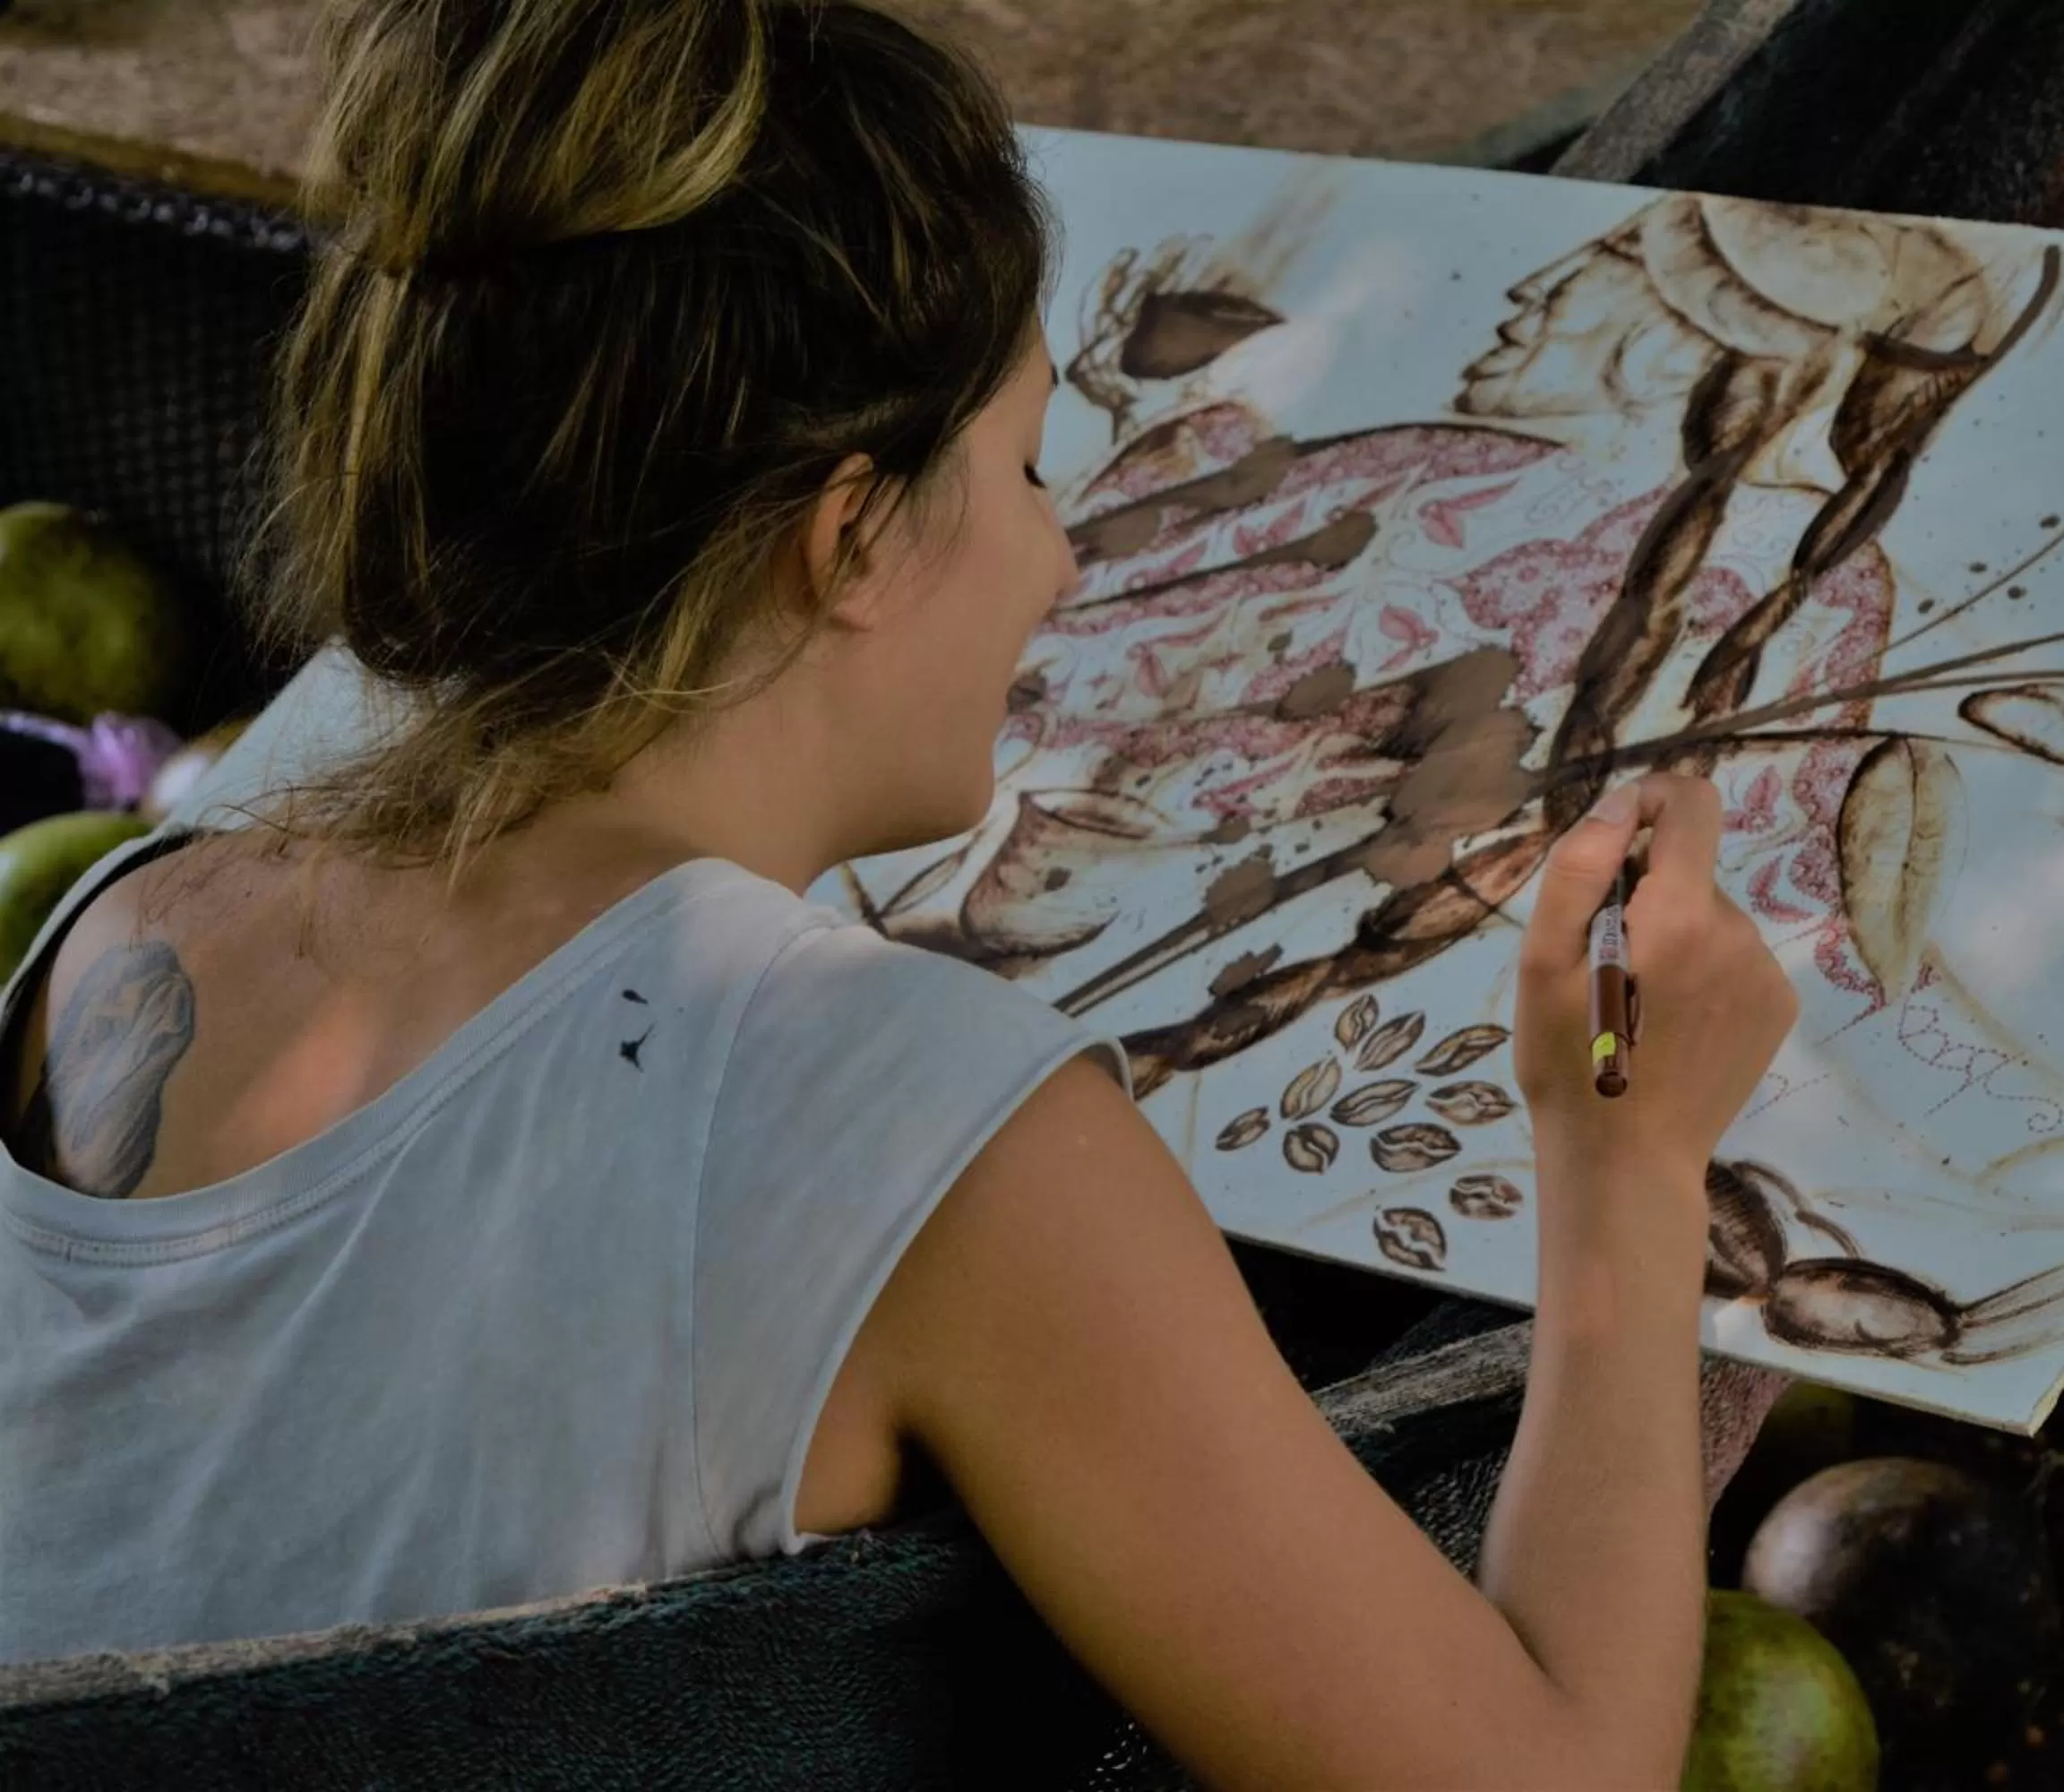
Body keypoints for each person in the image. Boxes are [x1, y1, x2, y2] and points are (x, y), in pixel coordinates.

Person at [0, 3, 1799, 1785]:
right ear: (850, 535)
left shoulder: (128, 935)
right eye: (1022, 466)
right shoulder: (915, 1127)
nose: (1060, 554)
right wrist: (1627, 1165)